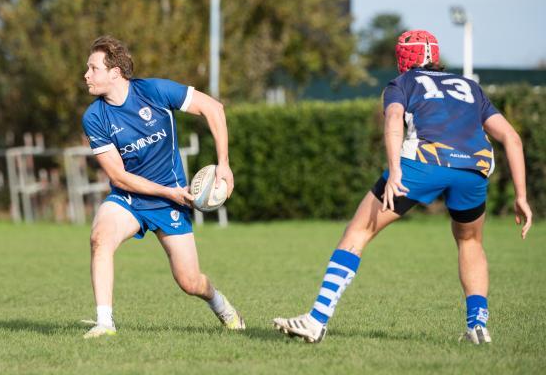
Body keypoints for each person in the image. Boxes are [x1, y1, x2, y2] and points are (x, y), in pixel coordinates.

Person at [273, 30, 532, 344]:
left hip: (423, 162)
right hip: (473, 169)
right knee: (470, 241)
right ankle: (478, 326)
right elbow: (512, 138)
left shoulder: (402, 83)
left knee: (358, 231)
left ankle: (316, 320)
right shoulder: (470, 86)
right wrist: (521, 196)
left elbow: (394, 117)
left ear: (403, 57)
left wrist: (395, 170)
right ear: (435, 55)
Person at [81, 35, 245, 339]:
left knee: (190, 282)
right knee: (100, 237)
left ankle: (221, 305)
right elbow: (117, 176)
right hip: (129, 198)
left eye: (93, 68)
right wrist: (167, 191)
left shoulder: (154, 91)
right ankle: (104, 322)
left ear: (114, 72)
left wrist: (223, 163)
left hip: (172, 201)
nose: (86, 75)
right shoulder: (94, 117)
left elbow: (214, 109)